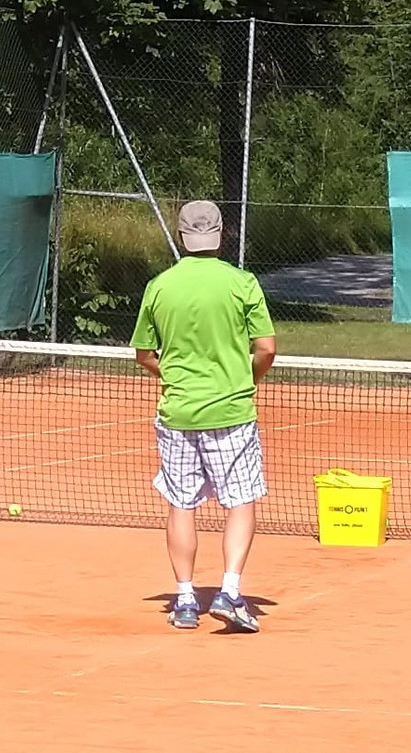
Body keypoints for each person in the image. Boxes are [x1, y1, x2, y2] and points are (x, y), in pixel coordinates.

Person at [130, 199, 276, 632]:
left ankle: (185, 599)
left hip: (177, 413)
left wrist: (175, 376)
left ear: (182, 236)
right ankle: (230, 592)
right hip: (232, 411)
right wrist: (246, 379)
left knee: (180, 504)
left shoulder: (159, 287)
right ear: (221, 235)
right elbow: (266, 348)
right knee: (241, 500)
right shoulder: (242, 283)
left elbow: (144, 354)